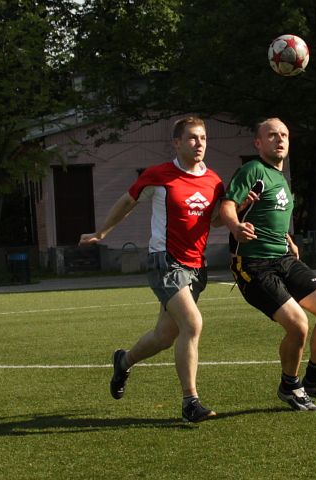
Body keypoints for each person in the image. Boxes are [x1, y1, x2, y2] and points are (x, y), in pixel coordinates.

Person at [79, 116, 224, 423]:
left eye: (203, 138)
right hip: (165, 262)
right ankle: (190, 402)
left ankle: (124, 361)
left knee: (164, 336)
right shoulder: (159, 175)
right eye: (192, 138)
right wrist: (101, 232)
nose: (199, 144)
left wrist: (242, 211)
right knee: (193, 324)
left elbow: (214, 221)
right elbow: (127, 201)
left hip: (196, 267)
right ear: (177, 143)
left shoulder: (214, 181)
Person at [219, 117, 316, 411]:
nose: (280, 140)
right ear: (258, 142)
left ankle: (314, 382)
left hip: (284, 258)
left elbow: (270, 215)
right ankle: (290, 386)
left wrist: (288, 238)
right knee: (299, 325)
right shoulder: (252, 170)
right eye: (272, 135)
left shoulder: (282, 179)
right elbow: (227, 205)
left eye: (284, 135)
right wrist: (236, 227)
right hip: (253, 263)